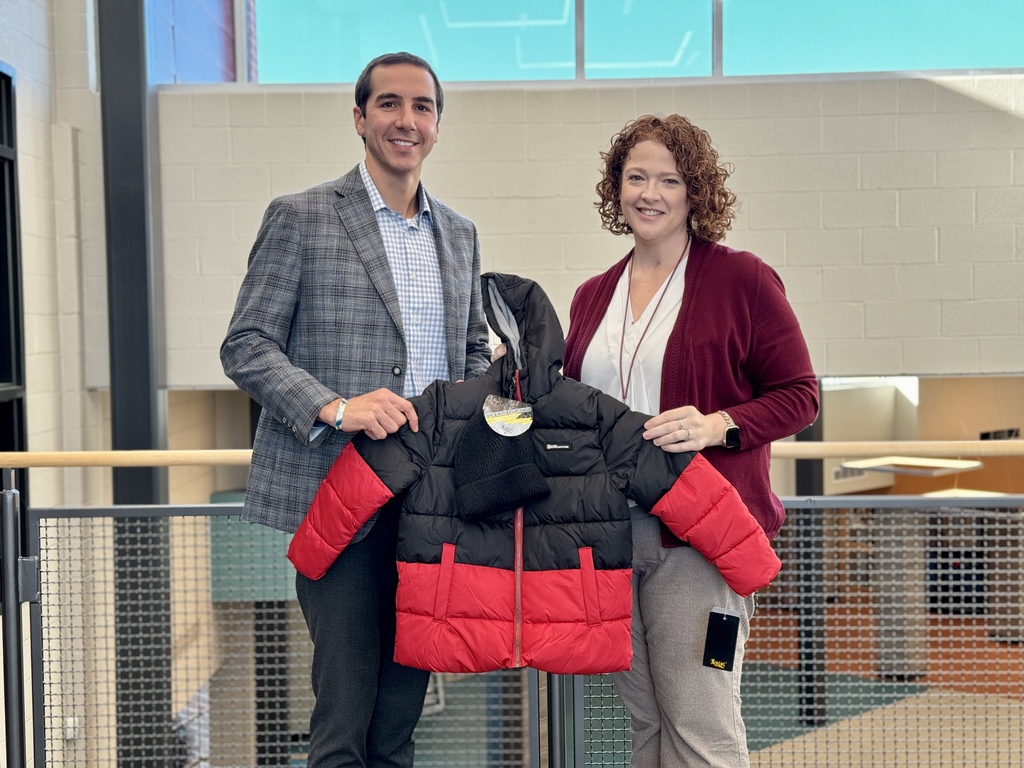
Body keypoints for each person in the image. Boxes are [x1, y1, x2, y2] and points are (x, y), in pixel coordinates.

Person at [220, 52, 490, 768]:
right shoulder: (301, 218)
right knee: (344, 715)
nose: (407, 120)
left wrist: (470, 415)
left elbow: (470, 352)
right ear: (360, 117)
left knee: (400, 718)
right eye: (390, 105)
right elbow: (246, 345)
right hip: (335, 494)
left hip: (428, 503)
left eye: (422, 107)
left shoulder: (458, 235)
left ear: (437, 124)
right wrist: (337, 408)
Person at [562, 114, 819, 768]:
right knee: (646, 727)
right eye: (636, 176)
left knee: (702, 722)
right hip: (612, 536)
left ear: (693, 192)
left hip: (701, 539)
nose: (650, 192)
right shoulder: (592, 296)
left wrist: (715, 424)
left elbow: (800, 395)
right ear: (616, 188)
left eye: (669, 179)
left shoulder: (743, 280)